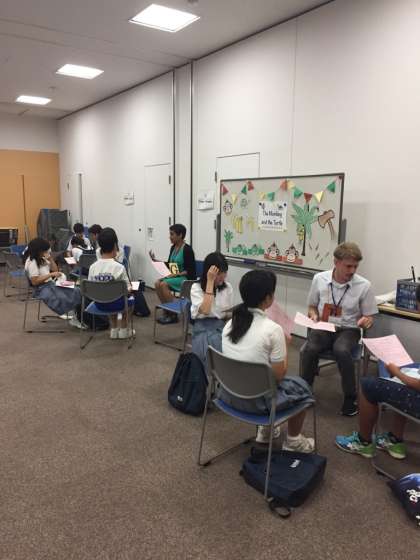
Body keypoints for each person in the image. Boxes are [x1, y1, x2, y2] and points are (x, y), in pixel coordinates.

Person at [222, 269, 315, 450]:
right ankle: (293, 441)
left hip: (228, 396)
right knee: (302, 387)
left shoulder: (230, 324)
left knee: (259, 377)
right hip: (257, 404)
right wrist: (285, 346)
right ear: (268, 298)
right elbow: (279, 376)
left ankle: (265, 431)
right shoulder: (273, 329)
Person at [300, 242, 378, 416]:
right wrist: (313, 315)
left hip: (349, 329)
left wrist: (366, 321)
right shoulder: (319, 279)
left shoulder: (364, 285)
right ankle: (304, 391)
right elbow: (312, 306)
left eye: (355, 266)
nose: (352, 271)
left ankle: (350, 398)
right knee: (310, 348)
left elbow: (369, 317)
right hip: (324, 326)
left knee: (341, 350)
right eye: (348, 266)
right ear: (336, 262)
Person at [88, 228, 135, 340]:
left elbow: (90, 288)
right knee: (130, 298)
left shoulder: (92, 267)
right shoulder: (119, 267)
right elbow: (128, 289)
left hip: (99, 304)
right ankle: (123, 330)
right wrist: (133, 288)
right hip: (117, 305)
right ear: (115, 245)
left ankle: (113, 329)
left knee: (107, 294)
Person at [24, 238, 82, 326]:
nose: (46, 252)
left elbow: (55, 270)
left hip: (51, 283)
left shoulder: (41, 259)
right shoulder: (32, 262)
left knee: (76, 289)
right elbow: (35, 281)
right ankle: (74, 314)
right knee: (66, 294)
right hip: (42, 288)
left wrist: (50, 259)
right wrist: (50, 275)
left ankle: (76, 314)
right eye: (45, 250)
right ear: (39, 250)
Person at [190, 252, 233, 365]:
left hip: (220, 326)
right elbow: (205, 310)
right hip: (202, 327)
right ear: (209, 273)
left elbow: (227, 314)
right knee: (210, 348)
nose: (223, 276)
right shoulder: (196, 288)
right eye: (219, 273)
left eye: (224, 272)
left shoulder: (227, 288)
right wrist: (210, 282)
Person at [150, 224, 196, 324]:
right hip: (176, 277)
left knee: (164, 284)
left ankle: (173, 314)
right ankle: (167, 310)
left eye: (172, 234)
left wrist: (175, 275)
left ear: (180, 235)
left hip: (186, 279)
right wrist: (156, 260)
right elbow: (171, 265)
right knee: (157, 283)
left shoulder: (187, 249)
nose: (170, 237)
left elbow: (190, 270)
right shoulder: (173, 248)